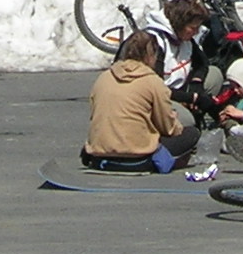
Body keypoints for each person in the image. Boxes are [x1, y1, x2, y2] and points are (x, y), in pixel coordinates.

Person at [83, 31, 200, 168]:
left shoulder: (103, 78)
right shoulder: (153, 81)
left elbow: (95, 114)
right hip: (138, 158)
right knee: (191, 133)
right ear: (151, 56)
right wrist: (176, 124)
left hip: (100, 154)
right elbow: (168, 127)